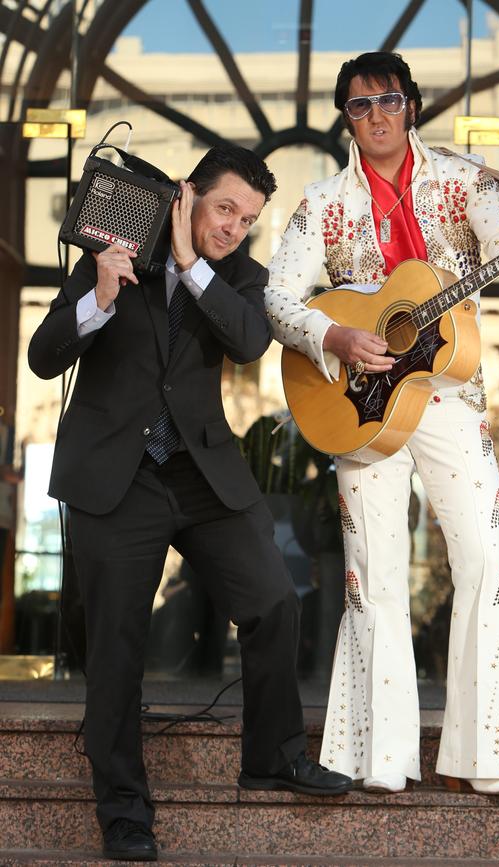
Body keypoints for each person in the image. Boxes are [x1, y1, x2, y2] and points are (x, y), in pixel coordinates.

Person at [29, 143, 351, 863]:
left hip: (200, 473)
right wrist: (99, 298)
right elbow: (43, 356)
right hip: (116, 475)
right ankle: (123, 809)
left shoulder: (238, 276)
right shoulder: (111, 255)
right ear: (187, 196)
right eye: (224, 207)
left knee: (273, 599)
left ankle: (272, 755)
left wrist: (190, 263)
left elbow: (246, 342)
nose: (234, 226)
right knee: (116, 643)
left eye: (247, 217)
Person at [265, 52, 499, 795]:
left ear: (412, 107)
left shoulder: (464, 182)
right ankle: (379, 759)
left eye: (389, 101)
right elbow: (276, 298)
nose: (376, 116)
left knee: (485, 563)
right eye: (360, 106)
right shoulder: (320, 202)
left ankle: (488, 755)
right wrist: (335, 337)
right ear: (345, 117)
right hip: (358, 404)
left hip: (450, 397)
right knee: (374, 578)